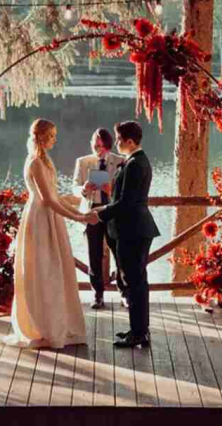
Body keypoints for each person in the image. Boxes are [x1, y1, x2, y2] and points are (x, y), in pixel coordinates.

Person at [4, 119, 88, 349]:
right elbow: (48, 200)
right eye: (51, 136)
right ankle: (41, 326)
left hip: (50, 218)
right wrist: (79, 218)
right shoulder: (35, 164)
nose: (55, 139)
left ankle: (55, 323)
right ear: (41, 137)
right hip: (41, 220)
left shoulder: (44, 161)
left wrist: (79, 202)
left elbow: (56, 196)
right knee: (43, 272)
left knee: (55, 272)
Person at [85, 121, 159, 349]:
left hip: (133, 230)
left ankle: (139, 333)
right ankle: (139, 330)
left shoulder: (136, 164)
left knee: (134, 282)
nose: (116, 143)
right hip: (135, 229)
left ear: (129, 141)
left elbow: (126, 203)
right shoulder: (136, 161)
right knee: (137, 282)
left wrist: (100, 213)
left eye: (118, 139)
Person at [72, 128, 126, 310]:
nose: (99, 150)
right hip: (92, 210)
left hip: (112, 211)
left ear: (109, 146)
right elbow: (74, 187)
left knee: (119, 252)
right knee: (93, 255)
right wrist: (84, 189)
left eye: (102, 146)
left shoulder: (120, 161)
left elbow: (126, 190)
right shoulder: (83, 162)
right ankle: (97, 294)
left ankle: (124, 291)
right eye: (95, 146)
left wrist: (112, 191)